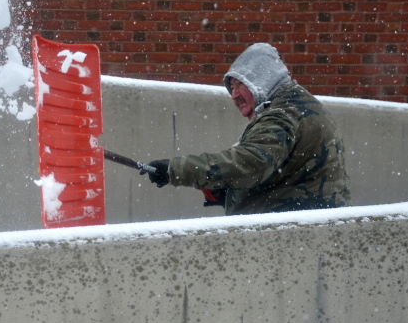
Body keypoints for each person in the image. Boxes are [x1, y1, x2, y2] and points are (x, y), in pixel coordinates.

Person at [143, 43, 350, 215]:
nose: (234, 95)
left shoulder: (283, 114)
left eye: (240, 85)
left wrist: (176, 169)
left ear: (262, 79)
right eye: (231, 88)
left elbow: (250, 163)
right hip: (306, 227)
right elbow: (280, 172)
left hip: (288, 238)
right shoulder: (298, 106)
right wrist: (231, 191)